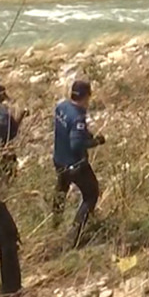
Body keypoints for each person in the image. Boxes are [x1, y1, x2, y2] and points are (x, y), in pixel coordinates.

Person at [52, 80, 106, 248]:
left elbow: (69, 131)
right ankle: (74, 237)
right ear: (86, 97)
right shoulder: (78, 117)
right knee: (91, 194)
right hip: (75, 165)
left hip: (59, 160)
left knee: (61, 191)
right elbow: (76, 144)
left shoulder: (61, 107)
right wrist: (95, 141)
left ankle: (54, 226)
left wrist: (86, 135)